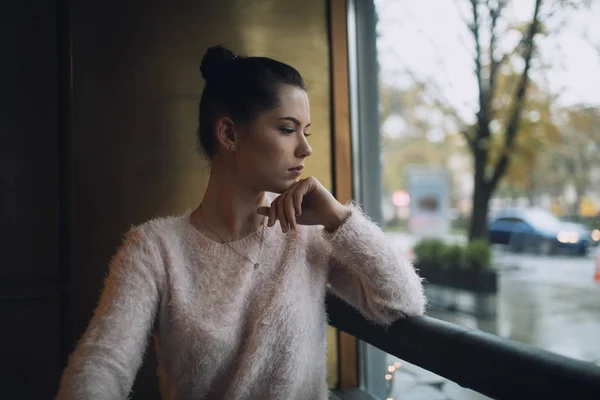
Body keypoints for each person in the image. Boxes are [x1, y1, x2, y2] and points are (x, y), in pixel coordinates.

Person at [56, 45, 426, 400]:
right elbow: (103, 364)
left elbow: (401, 303)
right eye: (287, 129)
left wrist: (340, 219)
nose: (305, 148)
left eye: (306, 131)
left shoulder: (308, 232)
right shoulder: (155, 249)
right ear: (229, 134)